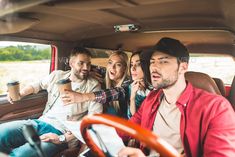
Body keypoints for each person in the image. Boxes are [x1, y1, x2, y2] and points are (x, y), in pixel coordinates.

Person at [118, 37, 235, 157]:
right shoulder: (152, 99)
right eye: (152, 62)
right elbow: (128, 128)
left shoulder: (217, 108)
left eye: (163, 61)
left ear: (183, 67)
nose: (154, 67)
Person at [0, 47, 103, 157]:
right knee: (2, 133)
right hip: (40, 122)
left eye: (88, 64)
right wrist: (20, 93)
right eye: (81, 63)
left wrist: (62, 138)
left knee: (21, 155)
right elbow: (38, 85)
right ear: (71, 63)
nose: (86, 68)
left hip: (62, 132)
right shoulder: (57, 75)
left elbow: (93, 119)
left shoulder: (93, 86)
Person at [62, 51, 151, 119]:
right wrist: (88, 73)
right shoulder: (103, 74)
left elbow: (115, 93)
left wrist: (82, 97)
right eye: (110, 63)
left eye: (118, 65)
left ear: (125, 68)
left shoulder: (128, 84)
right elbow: (85, 68)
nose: (112, 67)